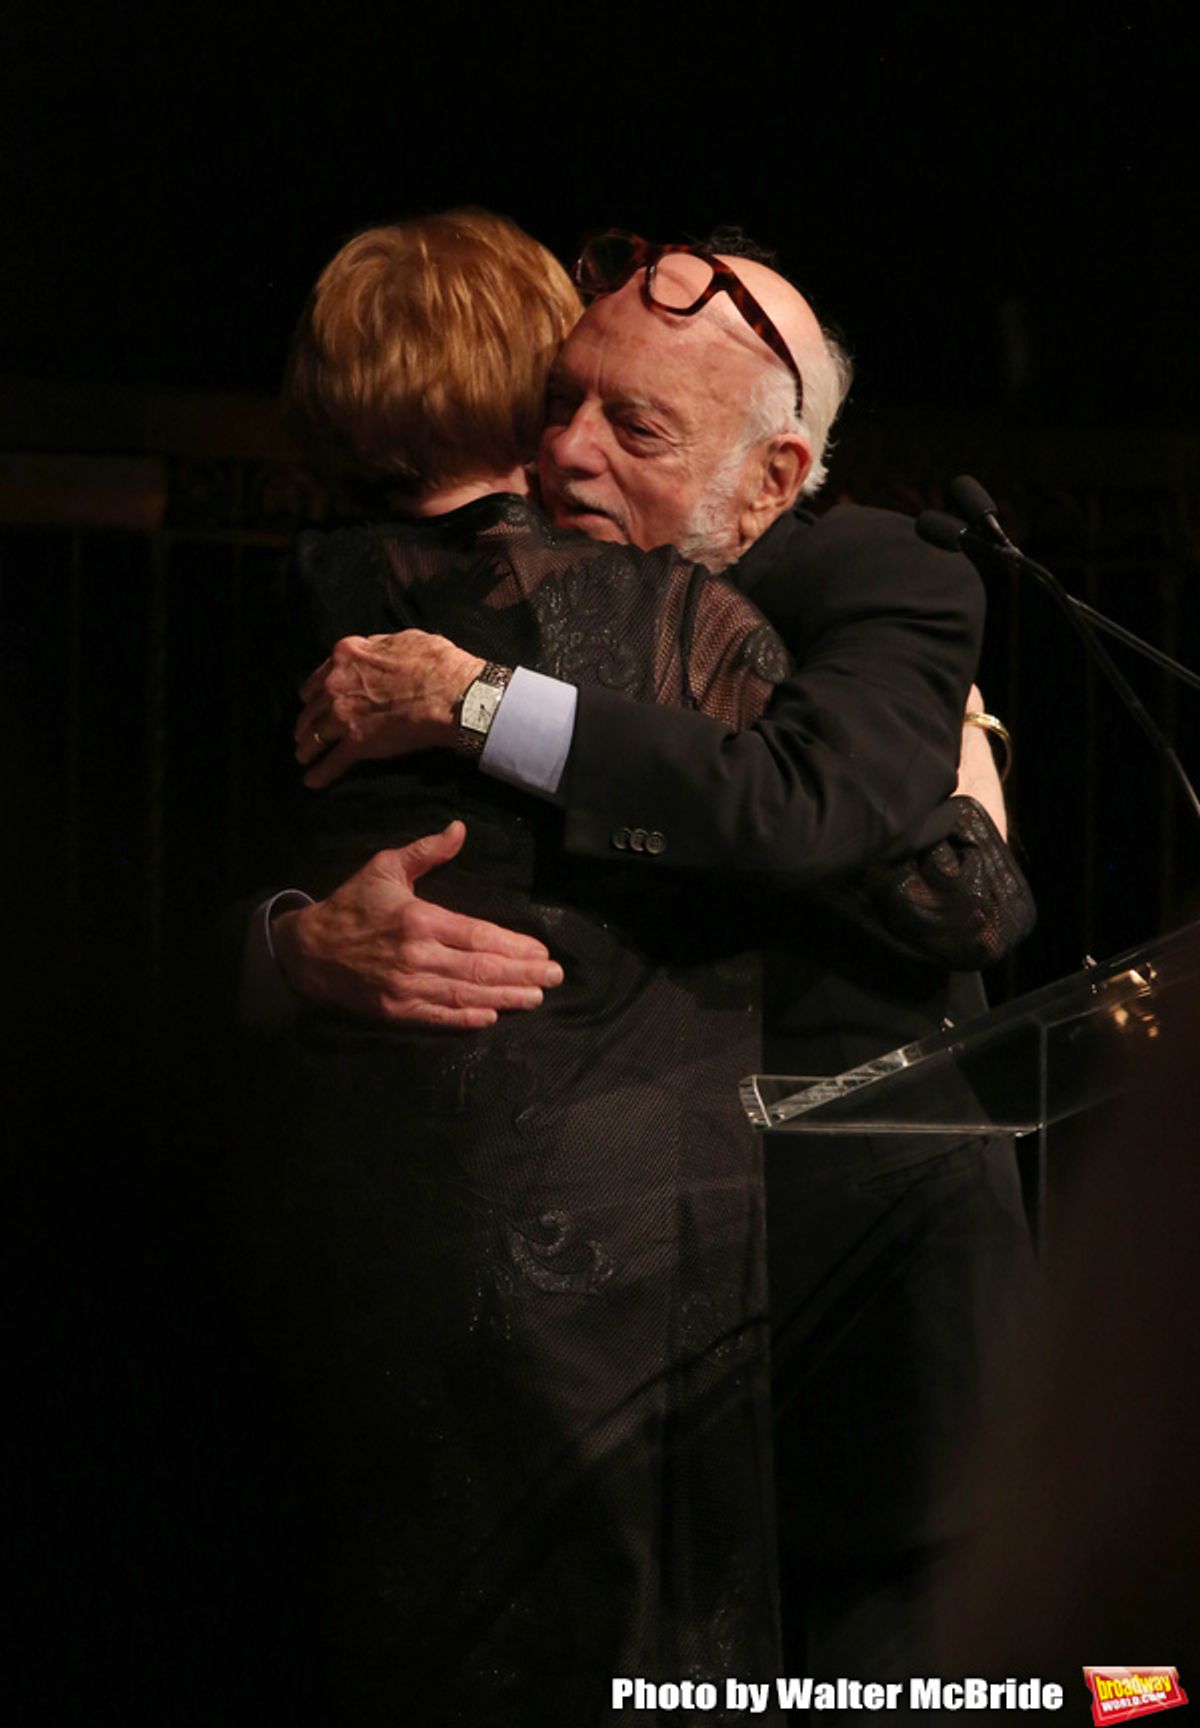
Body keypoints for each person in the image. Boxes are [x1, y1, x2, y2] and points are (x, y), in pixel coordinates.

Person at [281, 229, 1036, 1686]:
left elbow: (835, 823)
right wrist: (297, 945)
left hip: (852, 1317)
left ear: (771, 473)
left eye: (634, 427)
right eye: (559, 403)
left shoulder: (884, 576)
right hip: (615, 1361)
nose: (565, 453)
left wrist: (480, 707)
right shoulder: (474, 590)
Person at [236, 211, 796, 1727]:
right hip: (606, 1235)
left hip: (362, 1212)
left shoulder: (299, 590)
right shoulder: (663, 613)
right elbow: (833, 832)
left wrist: (280, 943)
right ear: (531, 372)